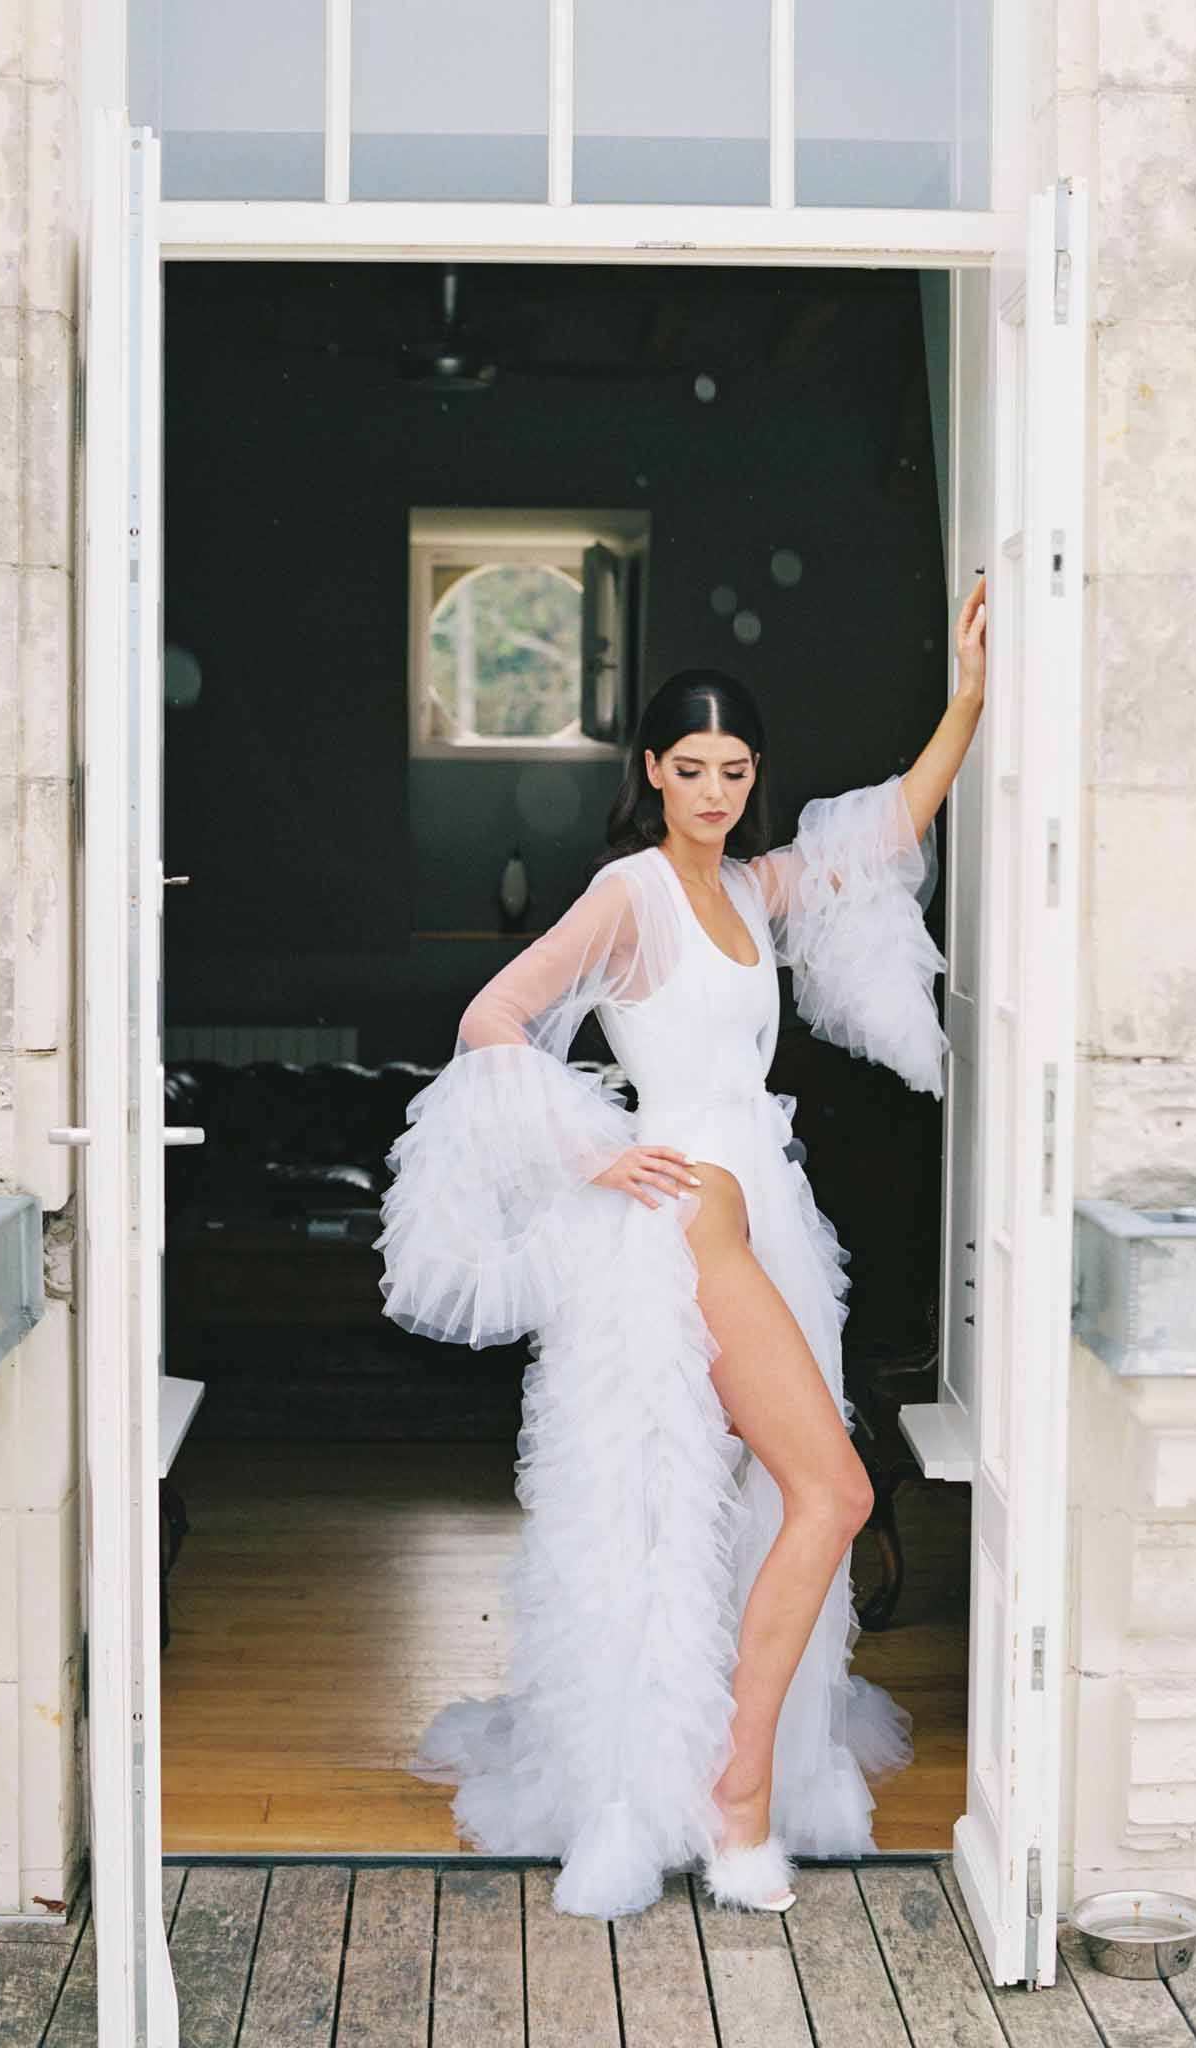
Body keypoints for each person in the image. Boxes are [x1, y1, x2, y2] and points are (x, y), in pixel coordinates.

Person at [378, 577, 988, 1918]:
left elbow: (885, 829)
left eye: (734, 768)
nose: (712, 788)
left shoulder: (751, 890)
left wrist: (969, 703)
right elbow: (495, 1014)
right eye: (690, 767)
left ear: (751, 776)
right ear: (651, 771)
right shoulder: (631, 891)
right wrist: (591, 1146)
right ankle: (717, 1803)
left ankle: (738, 1788)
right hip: (682, 1230)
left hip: (766, 1222)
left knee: (783, 1506)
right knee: (770, 1501)